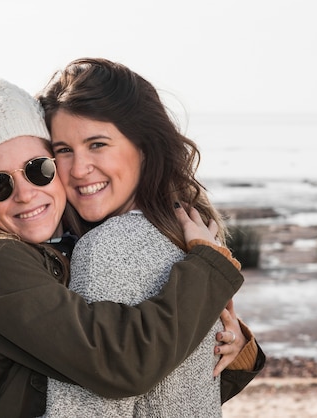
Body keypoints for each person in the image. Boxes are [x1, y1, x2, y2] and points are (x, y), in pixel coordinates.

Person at [0, 76, 253, 418]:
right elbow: (119, 364)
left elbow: (167, 392)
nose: (24, 193)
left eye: (39, 169)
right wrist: (207, 270)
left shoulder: (63, 250)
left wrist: (234, 343)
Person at [37, 57, 264, 416]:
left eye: (98, 144)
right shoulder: (186, 236)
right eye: (63, 150)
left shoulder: (106, 249)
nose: (79, 169)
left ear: (144, 147)